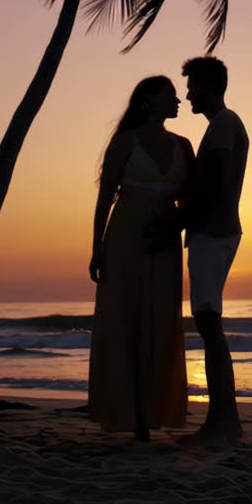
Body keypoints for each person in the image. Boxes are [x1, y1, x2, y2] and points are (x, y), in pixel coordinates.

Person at [87, 76, 195, 439]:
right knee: (126, 317)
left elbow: (192, 198)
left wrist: (179, 226)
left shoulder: (184, 145)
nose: (178, 101)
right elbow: (105, 200)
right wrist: (96, 249)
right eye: (171, 96)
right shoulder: (125, 143)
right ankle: (131, 419)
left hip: (164, 239)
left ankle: (154, 412)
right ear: (150, 100)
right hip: (125, 236)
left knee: (161, 319)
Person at [180, 56, 249, 447]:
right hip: (212, 230)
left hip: (213, 230)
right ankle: (223, 420)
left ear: (209, 85)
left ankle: (224, 422)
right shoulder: (223, 124)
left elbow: (216, 181)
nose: (188, 94)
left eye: (192, 86)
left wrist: (177, 216)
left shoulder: (224, 124)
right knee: (209, 325)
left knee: (209, 324)